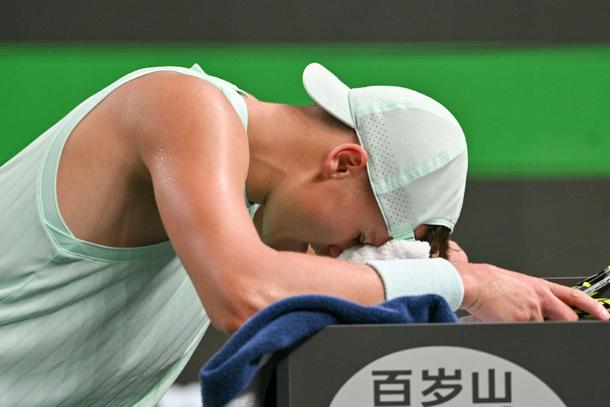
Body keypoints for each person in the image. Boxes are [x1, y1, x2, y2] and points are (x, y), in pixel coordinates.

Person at [0, 62, 606, 406]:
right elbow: (247, 292)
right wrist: (459, 283)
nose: (341, 255)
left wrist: (437, 286)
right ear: (343, 163)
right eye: (360, 235)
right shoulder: (183, 105)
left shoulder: (224, 201)